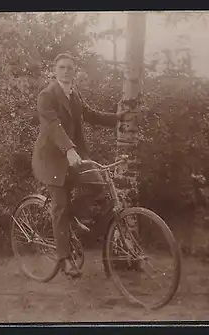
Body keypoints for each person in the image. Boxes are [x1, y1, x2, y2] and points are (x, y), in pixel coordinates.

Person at [32, 53, 129, 278]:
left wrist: (118, 118)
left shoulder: (74, 95)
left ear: (74, 71)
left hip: (74, 156)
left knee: (97, 184)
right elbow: (53, 125)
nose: (66, 71)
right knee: (60, 206)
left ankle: (71, 221)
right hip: (52, 160)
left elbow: (91, 115)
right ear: (54, 70)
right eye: (62, 67)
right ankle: (64, 259)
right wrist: (68, 149)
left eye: (70, 68)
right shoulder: (46, 96)